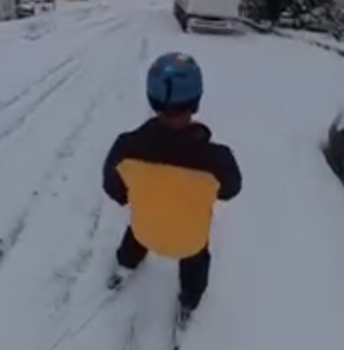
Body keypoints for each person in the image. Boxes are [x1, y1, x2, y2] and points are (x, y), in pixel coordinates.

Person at [102, 52, 241, 325]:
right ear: (196, 100)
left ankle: (125, 264)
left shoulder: (125, 147)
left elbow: (113, 189)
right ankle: (189, 301)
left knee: (136, 231)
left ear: (151, 99)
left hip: (145, 230)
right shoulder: (217, 159)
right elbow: (230, 190)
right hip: (188, 240)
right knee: (197, 255)